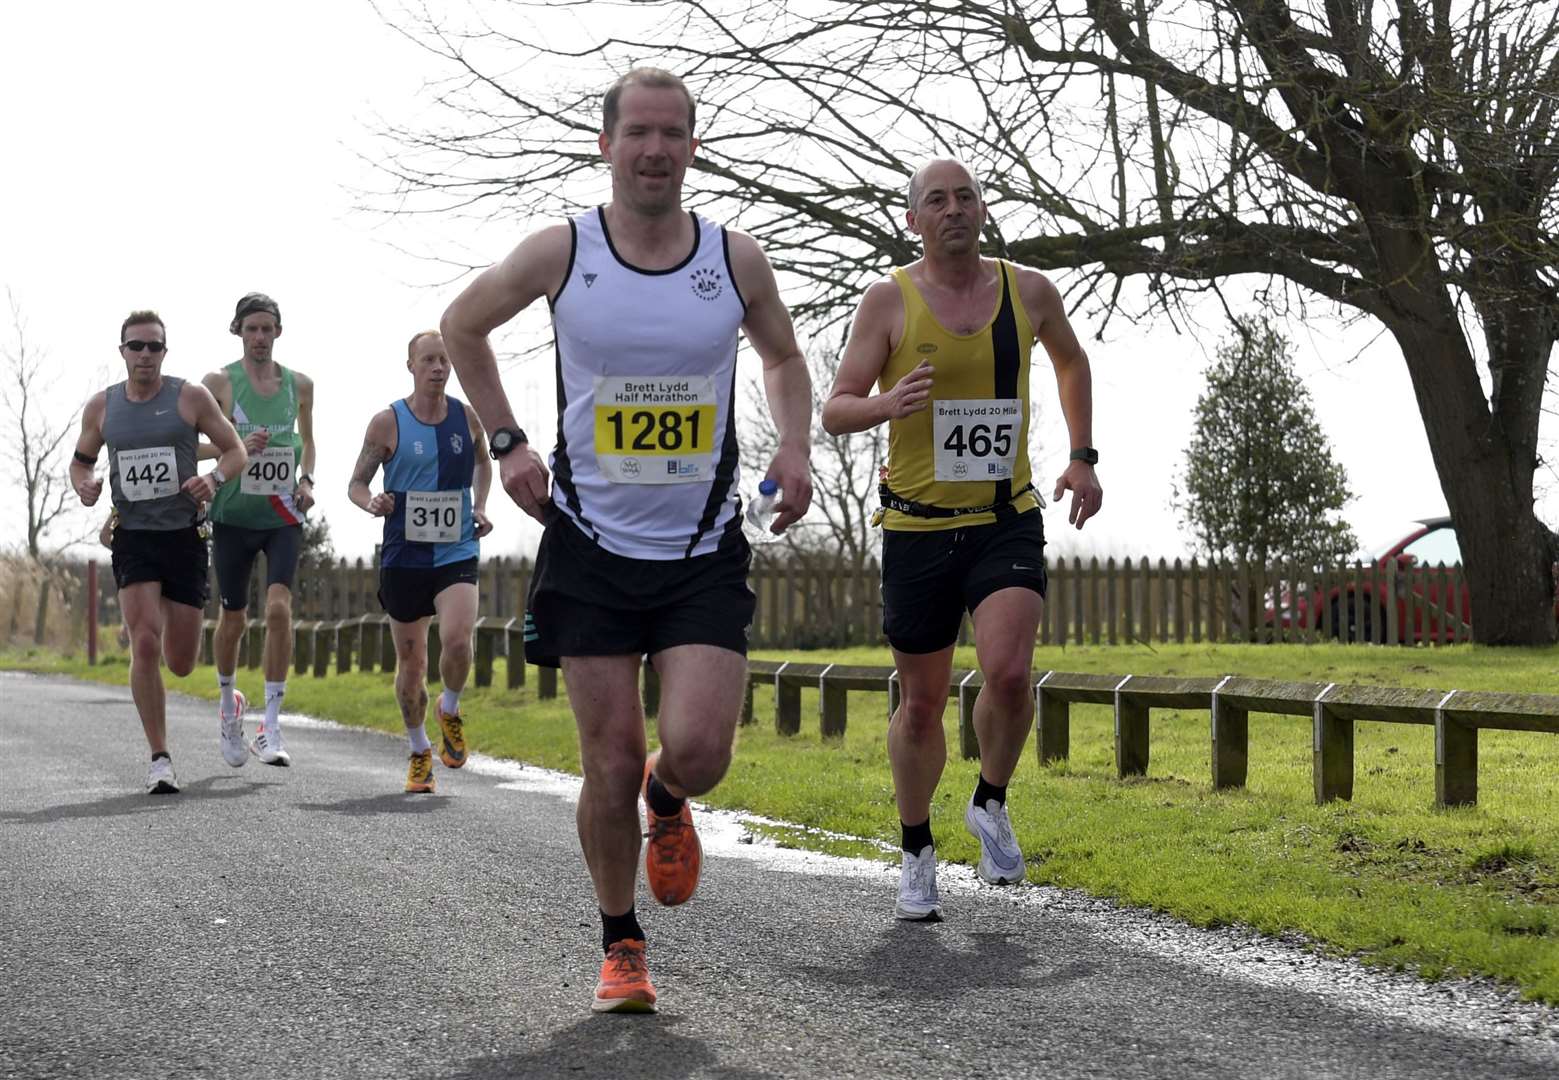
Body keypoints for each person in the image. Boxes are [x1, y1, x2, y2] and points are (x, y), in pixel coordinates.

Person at [440, 67, 813, 1013]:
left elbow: (780, 357)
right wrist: (508, 440)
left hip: (699, 548)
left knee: (699, 749)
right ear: (605, 145)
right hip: (591, 543)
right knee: (604, 759)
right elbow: (462, 324)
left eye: (672, 134)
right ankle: (620, 943)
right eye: (637, 132)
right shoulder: (564, 251)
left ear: (693, 146)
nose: (654, 149)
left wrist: (798, 445)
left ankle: (669, 795)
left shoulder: (734, 259)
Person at [822, 158, 1103, 921]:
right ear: (913, 219)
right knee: (921, 704)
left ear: (982, 210)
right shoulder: (888, 300)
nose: (954, 208)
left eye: (965, 195)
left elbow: (1071, 359)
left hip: (1003, 518)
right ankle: (915, 850)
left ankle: (989, 801)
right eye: (935, 200)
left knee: (1009, 674)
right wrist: (885, 406)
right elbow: (835, 408)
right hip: (916, 526)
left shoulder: (1029, 290)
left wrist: (1080, 457)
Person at [70, 311, 247, 794]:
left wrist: (214, 479)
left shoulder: (190, 397)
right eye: (136, 346)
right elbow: (80, 463)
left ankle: (230, 705)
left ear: (164, 352)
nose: (145, 355)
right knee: (143, 641)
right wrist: (85, 486)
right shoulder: (102, 408)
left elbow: (235, 451)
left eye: (154, 347)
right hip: (135, 537)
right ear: (122, 350)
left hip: (184, 536)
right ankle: (159, 758)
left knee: (183, 661)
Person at [349, 330, 493, 793]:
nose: (437, 367)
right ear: (410, 365)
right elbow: (356, 483)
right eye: (428, 360)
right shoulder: (386, 423)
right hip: (404, 555)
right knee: (411, 665)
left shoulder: (468, 419)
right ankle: (418, 750)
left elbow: (483, 463)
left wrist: (480, 506)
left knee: (456, 639)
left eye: (444, 360)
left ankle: (449, 707)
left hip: (455, 549)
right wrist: (372, 501)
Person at [200, 293, 316, 768]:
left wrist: (307, 479)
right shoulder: (218, 383)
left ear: (278, 332)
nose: (260, 337)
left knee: (280, 610)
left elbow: (309, 441)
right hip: (232, 515)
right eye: (252, 329)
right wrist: (235, 446)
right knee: (233, 620)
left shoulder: (300, 385)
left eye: (268, 329)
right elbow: (194, 443)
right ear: (239, 331)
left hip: (282, 514)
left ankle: (271, 723)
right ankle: (230, 707)